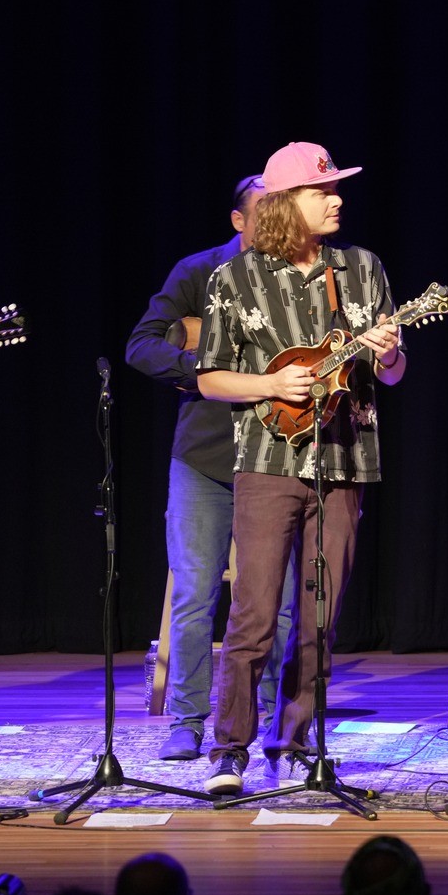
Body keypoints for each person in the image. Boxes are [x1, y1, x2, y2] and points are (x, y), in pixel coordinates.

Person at [193, 142, 404, 795]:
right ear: (286, 204)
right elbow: (209, 379)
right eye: (322, 190)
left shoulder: (362, 268)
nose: (337, 199)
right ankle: (229, 748)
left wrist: (389, 353)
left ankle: (295, 740)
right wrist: (269, 383)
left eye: (336, 188)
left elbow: (394, 374)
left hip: (345, 460)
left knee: (320, 616)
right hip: (267, 462)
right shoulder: (234, 279)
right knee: (254, 612)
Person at [124, 174, 296, 761]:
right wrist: (205, 366)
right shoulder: (199, 271)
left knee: (278, 600)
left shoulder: (296, 275)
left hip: (277, 456)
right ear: (239, 220)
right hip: (206, 456)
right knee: (195, 594)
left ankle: (273, 718)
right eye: (264, 210)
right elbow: (141, 345)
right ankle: (188, 720)